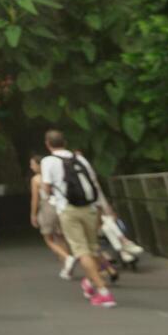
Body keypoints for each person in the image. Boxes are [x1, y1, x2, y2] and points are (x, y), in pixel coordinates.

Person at [39, 130, 116, 308]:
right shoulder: (80, 158)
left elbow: (46, 188)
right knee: (93, 248)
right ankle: (90, 282)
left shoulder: (48, 161)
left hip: (68, 209)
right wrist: (103, 207)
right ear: (65, 142)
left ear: (47, 144)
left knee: (81, 251)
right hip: (89, 208)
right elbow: (94, 182)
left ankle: (103, 292)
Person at [28, 156, 76, 279]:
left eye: (33, 164)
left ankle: (67, 258)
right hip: (60, 205)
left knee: (48, 238)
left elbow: (35, 199)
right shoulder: (55, 176)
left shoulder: (36, 179)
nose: (31, 167)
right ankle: (66, 269)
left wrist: (33, 214)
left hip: (47, 207)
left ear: (39, 165)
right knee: (60, 237)